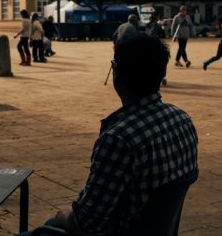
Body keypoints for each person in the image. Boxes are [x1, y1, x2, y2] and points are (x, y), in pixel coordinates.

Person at [30, 33, 198, 235]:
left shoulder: (119, 139)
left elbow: (87, 222)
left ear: (117, 73)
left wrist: (60, 216)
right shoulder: (182, 119)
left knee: (49, 225)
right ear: (161, 74)